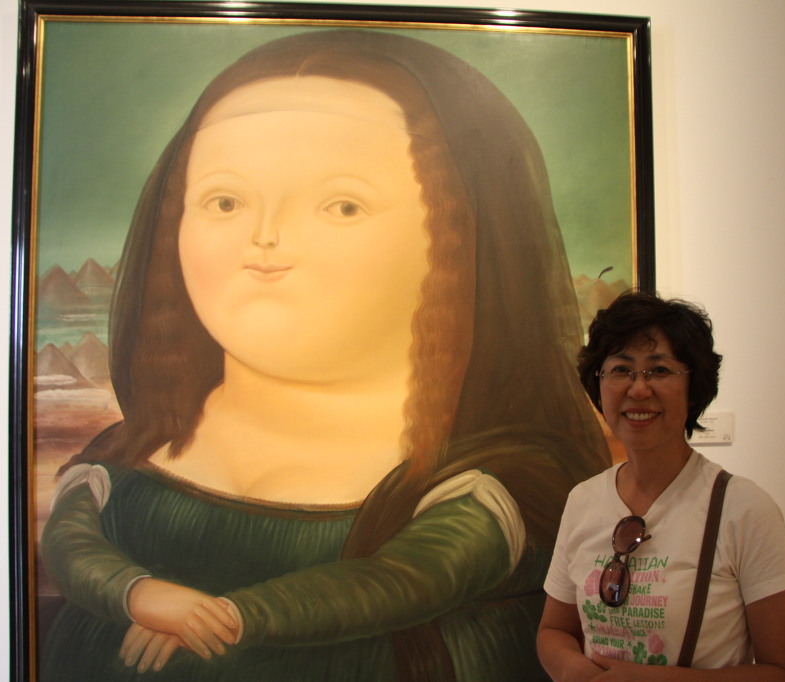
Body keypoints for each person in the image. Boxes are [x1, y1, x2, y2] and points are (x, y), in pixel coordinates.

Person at [38, 29, 609, 681]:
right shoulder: (130, 453)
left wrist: (230, 616)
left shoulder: (494, 486)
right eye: (225, 200)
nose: (265, 238)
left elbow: (409, 579)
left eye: (342, 205)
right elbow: (72, 544)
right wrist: (136, 592)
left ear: (456, 239)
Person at [537, 291, 785, 680]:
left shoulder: (743, 508)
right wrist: (572, 668)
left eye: (660, 370)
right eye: (620, 369)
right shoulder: (583, 500)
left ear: (693, 387)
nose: (638, 389)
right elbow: (555, 630)